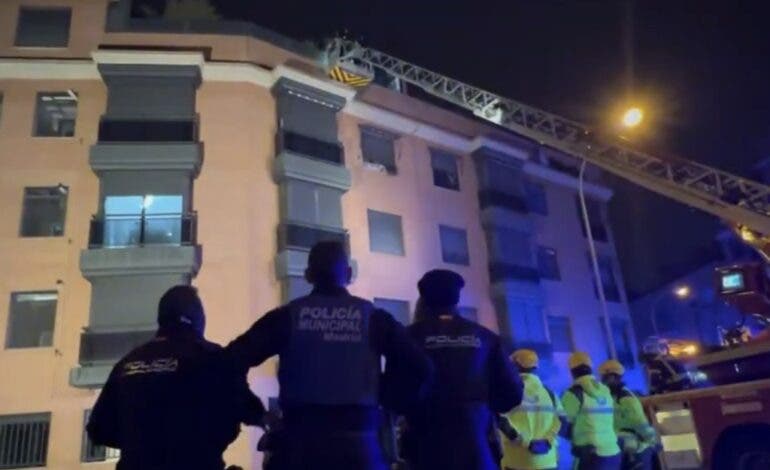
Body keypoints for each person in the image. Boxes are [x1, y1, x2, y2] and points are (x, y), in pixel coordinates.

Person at [225, 240, 432, 470]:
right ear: (349, 273)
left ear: (308, 275)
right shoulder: (373, 318)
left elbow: (229, 362)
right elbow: (420, 368)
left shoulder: (287, 317)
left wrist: (258, 414)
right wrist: (386, 400)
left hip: (298, 450)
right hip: (361, 449)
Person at [87, 285, 265, 470]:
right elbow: (249, 411)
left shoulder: (126, 364)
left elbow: (99, 430)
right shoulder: (212, 357)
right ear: (197, 318)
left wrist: (140, 442)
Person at [402, 269, 523, 470]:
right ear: (457, 297)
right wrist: (477, 403)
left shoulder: (408, 337)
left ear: (423, 296)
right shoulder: (486, 338)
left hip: (425, 453)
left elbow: (394, 396)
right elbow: (511, 395)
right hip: (477, 452)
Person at [498, 349, 562, 470]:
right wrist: (547, 441)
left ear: (514, 366)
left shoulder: (507, 391)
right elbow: (560, 420)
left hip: (517, 462)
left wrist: (524, 442)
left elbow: (501, 420)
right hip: (548, 462)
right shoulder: (549, 393)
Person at [561, 352, 621, 470]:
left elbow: (563, 425)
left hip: (590, 454)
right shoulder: (605, 391)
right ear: (590, 368)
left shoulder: (573, 393)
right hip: (613, 452)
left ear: (572, 372)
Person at [599, 360, 658, 470]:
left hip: (618, 449)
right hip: (632, 450)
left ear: (614, 377)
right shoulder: (625, 398)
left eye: (605, 377)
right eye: (604, 377)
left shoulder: (611, 399)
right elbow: (641, 424)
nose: (603, 381)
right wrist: (654, 442)